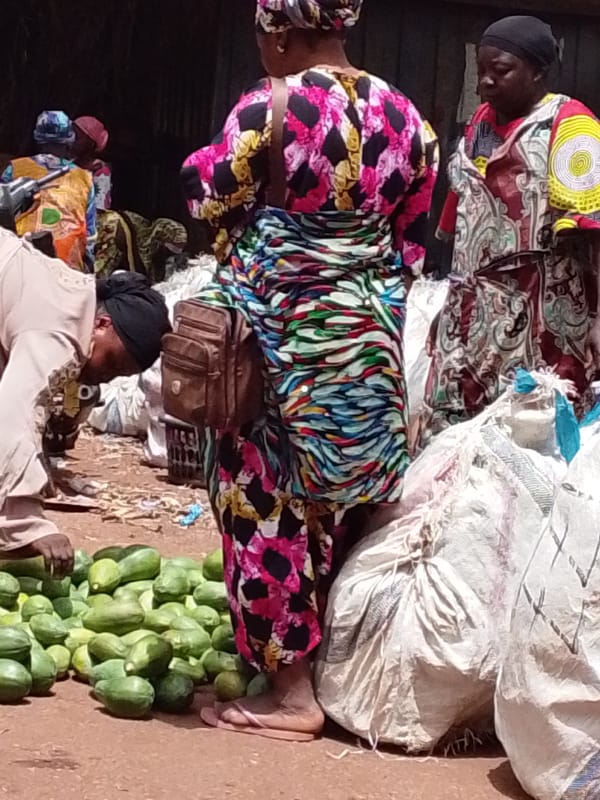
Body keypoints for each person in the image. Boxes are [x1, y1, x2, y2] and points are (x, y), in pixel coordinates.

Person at [181, 0, 438, 740]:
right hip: (363, 337)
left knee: (260, 497)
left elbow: (209, 196)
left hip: (279, 337)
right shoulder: (407, 114)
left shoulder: (271, 105)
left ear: (283, 34)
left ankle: (292, 695)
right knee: (348, 492)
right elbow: (411, 235)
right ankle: (346, 664)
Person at [425, 16, 600, 437]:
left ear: (537, 71)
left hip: (543, 324)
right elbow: (463, 224)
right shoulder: (479, 127)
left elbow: (594, 232)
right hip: (471, 326)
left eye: (500, 70)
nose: (485, 81)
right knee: (453, 441)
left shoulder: (572, 126)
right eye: (481, 69)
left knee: (532, 438)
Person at [0, 227, 170, 577]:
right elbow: (16, 411)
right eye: (113, 364)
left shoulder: (69, 296)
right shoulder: (60, 331)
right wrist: (30, 524)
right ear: (102, 325)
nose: (106, 378)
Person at [1, 111, 97, 272]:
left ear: (38, 138)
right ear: (69, 140)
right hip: (67, 268)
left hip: (20, 262)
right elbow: (90, 236)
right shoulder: (84, 178)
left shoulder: (14, 169)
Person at [94, 210, 187, 283]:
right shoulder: (118, 228)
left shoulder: (151, 250)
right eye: (167, 250)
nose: (166, 255)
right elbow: (100, 270)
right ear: (159, 238)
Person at [72, 115, 112, 211]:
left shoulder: (100, 171)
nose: (72, 140)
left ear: (90, 143)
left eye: (78, 137)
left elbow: (99, 208)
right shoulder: (67, 166)